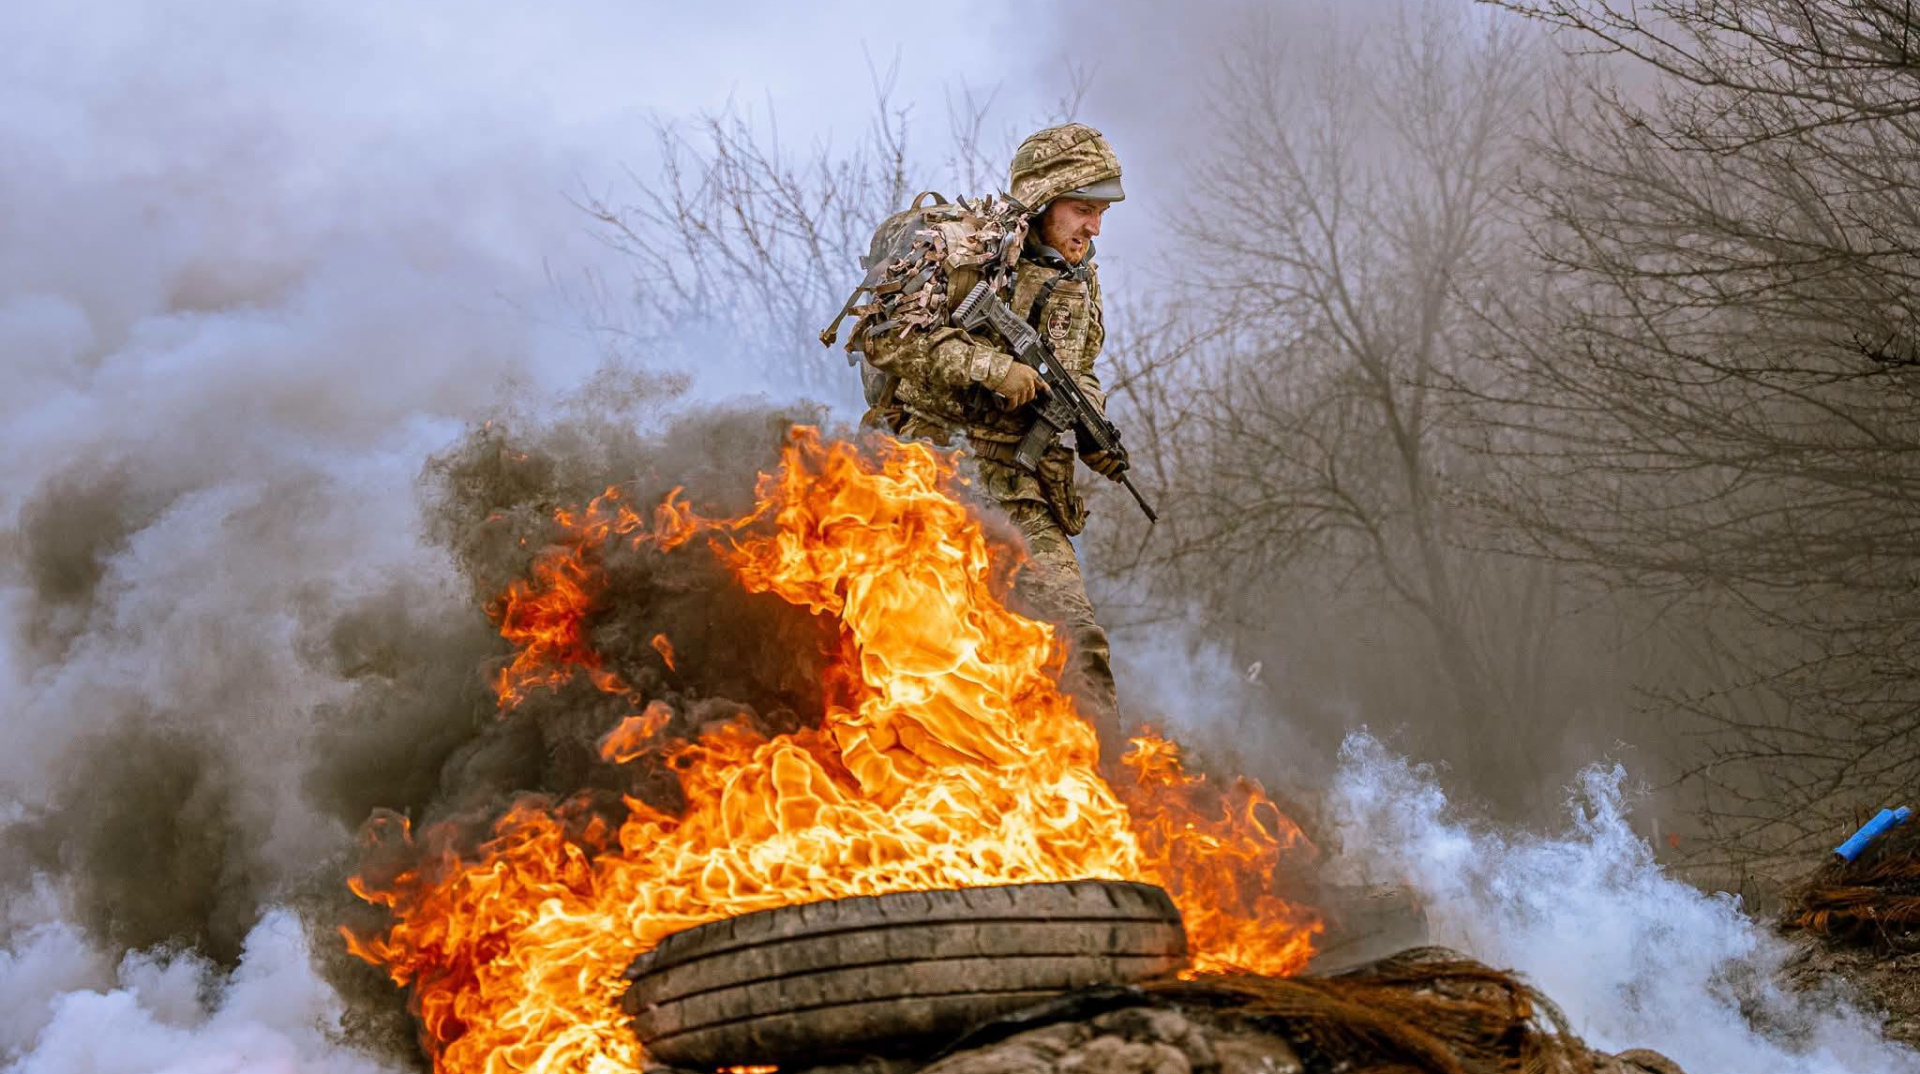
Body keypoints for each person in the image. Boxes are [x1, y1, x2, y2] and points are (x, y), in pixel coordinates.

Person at [859, 123, 1129, 754]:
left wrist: (1089, 420)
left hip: (1020, 488)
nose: (1094, 228)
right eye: (1082, 209)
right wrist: (991, 368)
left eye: (1101, 213)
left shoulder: (1079, 281)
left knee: (1077, 642)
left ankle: (1104, 783)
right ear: (1043, 200)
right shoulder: (958, 252)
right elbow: (884, 337)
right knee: (925, 652)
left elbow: (1081, 368)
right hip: (930, 476)